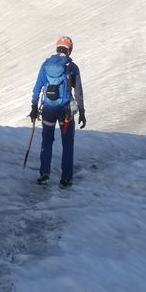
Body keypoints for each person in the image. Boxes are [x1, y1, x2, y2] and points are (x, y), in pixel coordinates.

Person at [30, 36, 86, 188]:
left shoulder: (46, 64)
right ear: (69, 50)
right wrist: (81, 112)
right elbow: (78, 92)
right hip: (65, 111)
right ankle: (66, 179)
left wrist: (34, 107)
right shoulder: (72, 67)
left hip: (48, 110)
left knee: (47, 141)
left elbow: (37, 88)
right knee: (67, 144)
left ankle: (44, 174)